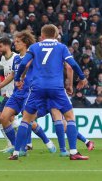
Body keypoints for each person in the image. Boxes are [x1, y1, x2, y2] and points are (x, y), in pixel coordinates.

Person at [11, 24, 88, 160]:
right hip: (56, 87)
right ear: (56, 35)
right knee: (69, 118)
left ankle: (16, 153)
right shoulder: (61, 47)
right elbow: (72, 64)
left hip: (37, 88)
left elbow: (23, 64)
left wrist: (17, 79)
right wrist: (82, 78)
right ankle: (73, 152)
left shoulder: (34, 47)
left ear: (42, 36)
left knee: (26, 120)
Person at [0, 31, 56, 155]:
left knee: (29, 122)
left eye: (17, 42)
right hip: (16, 94)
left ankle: (47, 141)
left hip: (29, 94)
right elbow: (13, 75)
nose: (15, 44)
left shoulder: (34, 57)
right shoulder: (16, 58)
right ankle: (18, 147)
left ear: (25, 43)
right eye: (15, 42)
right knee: (3, 118)